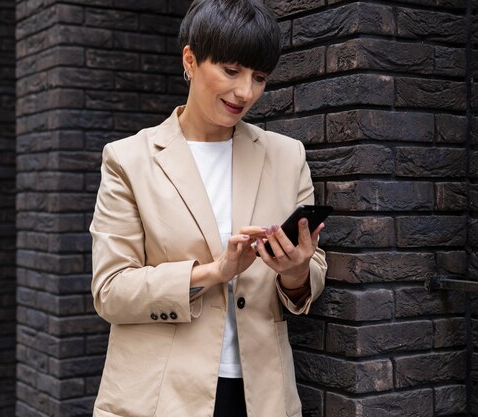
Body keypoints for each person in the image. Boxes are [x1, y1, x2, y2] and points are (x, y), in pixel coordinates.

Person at [89, 0, 327, 416]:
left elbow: (310, 277)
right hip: (159, 396)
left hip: (262, 395)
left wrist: (294, 272)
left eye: (259, 77)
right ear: (190, 60)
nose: (245, 92)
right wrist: (214, 272)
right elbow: (111, 291)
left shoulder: (288, 157)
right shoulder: (129, 159)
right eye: (231, 71)